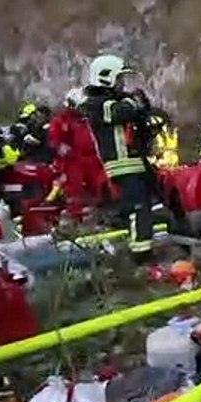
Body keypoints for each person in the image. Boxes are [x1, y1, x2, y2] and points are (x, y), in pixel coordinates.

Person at [80, 55, 162, 260]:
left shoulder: (113, 100)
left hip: (135, 163)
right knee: (138, 208)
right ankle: (141, 255)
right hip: (122, 165)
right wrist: (135, 101)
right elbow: (122, 111)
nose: (122, 84)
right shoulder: (97, 103)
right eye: (119, 79)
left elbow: (139, 114)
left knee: (158, 197)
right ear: (105, 78)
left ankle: (176, 230)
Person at [48, 87, 113, 220]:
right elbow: (54, 140)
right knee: (74, 188)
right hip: (73, 160)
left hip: (94, 158)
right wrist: (63, 148)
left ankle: (102, 213)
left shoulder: (89, 118)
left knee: (101, 184)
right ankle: (75, 216)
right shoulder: (62, 120)